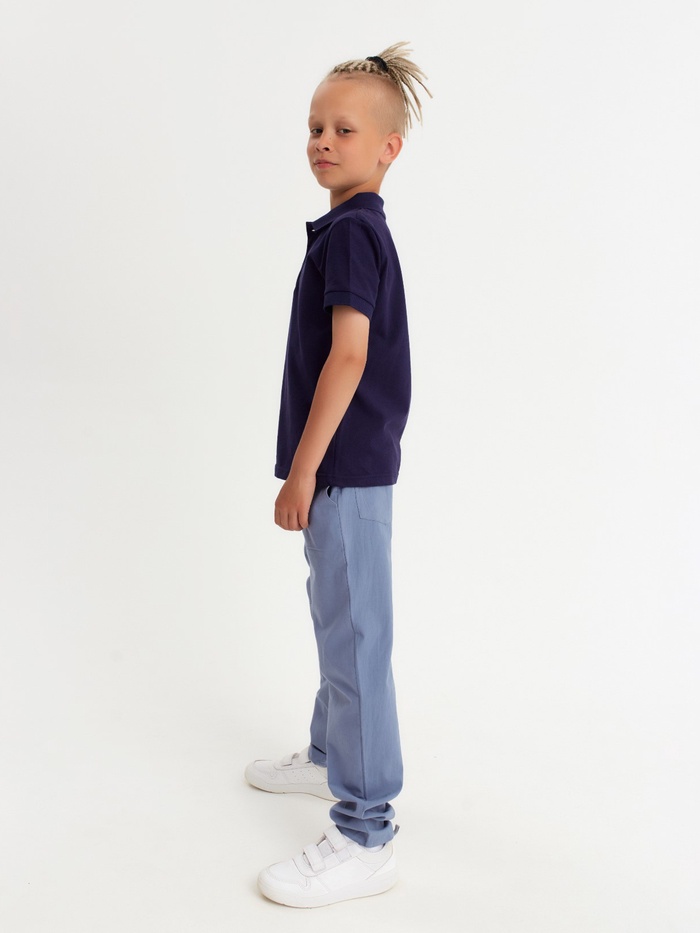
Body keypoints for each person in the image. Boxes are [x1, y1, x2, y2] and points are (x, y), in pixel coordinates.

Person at [245, 42, 430, 909]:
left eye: (344, 129)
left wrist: (302, 472)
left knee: (357, 641)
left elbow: (348, 356)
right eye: (315, 126)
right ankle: (329, 757)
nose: (322, 139)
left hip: (343, 473)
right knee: (339, 623)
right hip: (343, 475)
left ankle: (366, 830)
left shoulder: (354, 232)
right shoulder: (348, 228)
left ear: (388, 148)